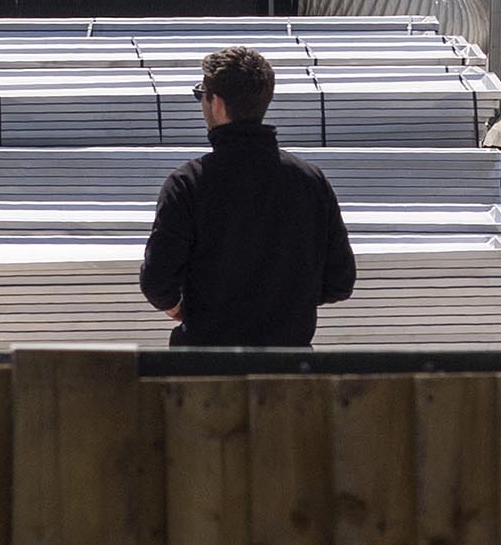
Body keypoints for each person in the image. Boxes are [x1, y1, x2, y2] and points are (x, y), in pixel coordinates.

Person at [139, 47, 358, 346]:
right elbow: (340, 281)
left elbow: (157, 280)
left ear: (216, 103)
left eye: (200, 93)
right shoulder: (311, 182)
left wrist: (181, 307)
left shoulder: (187, 185)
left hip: (204, 366)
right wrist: (286, 302)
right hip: (290, 367)